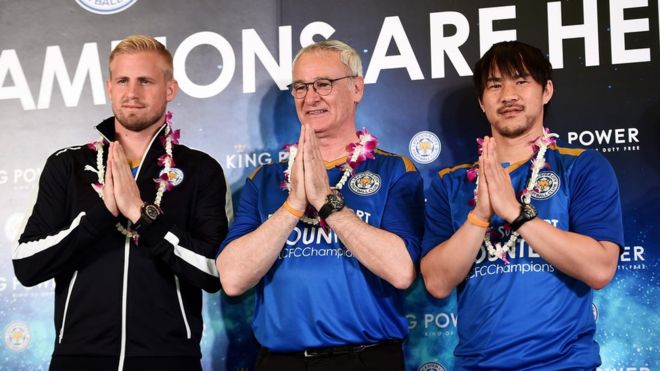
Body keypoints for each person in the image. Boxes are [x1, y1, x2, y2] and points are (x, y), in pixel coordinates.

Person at [12, 35, 228, 371]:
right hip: (79, 359)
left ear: (170, 90)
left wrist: (142, 216)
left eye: (146, 81)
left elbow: (215, 272)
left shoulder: (201, 169)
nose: (133, 93)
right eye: (123, 81)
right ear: (110, 88)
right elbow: (26, 265)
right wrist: (101, 214)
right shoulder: (66, 165)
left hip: (168, 360)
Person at [216, 39, 424, 370]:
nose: (311, 97)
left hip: (365, 359)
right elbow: (232, 278)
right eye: (300, 87)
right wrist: (292, 208)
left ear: (356, 88)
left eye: (324, 84)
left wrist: (329, 206)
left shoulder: (393, 170)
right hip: (281, 362)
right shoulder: (265, 179)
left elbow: (401, 272)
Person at [420, 40, 624, 370]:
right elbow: (437, 283)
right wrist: (479, 216)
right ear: (482, 102)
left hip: (564, 365)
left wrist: (516, 214)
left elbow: (600, 269)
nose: (508, 95)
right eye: (495, 85)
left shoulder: (581, 167)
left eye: (521, 80)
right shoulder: (451, 183)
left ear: (546, 91)